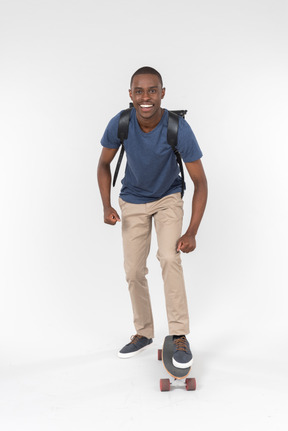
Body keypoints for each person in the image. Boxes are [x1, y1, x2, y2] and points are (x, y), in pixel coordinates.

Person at [97, 66, 207, 368]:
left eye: (152, 90)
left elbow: (201, 183)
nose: (146, 97)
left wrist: (192, 231)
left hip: (168, 198)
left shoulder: (177, 127)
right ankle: (144, 333)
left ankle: (179, 334)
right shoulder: (120, 123)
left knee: (170, 258)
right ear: (131, 95)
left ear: (162, 93)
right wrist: (106, 205)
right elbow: (104, 164)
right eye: (139, 91)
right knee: (133, 271)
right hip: (132, 200)